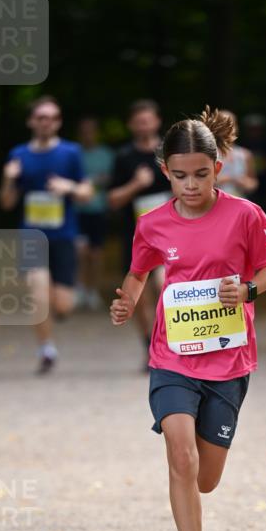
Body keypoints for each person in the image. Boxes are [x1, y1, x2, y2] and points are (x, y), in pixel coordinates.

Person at [110, 107, 266, 531]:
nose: (191, 185)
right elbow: (139, 271)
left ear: (218, 169)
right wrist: (128, 300)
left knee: (206, 478)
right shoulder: (151, 223)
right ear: (165, 170)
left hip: (228, 361)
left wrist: (247, 291)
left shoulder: (245, 216)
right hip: (173, 358)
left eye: (201, 175)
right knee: (180, 455)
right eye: (181, 175)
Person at [0, 96, 92, 374]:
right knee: (37, 288)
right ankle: (46, 349)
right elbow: (6, 203)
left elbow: (87, 193)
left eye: (51, 117)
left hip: (64, 234)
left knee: (63, 305)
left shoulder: (71, 152)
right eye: (41, 117)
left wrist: (69, 187)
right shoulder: (18, 154)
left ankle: (58, 305)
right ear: (31, 121)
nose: (46, 122)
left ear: (58, 122)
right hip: (32, 235)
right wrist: (8, 178)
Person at [108, 100, 171, 369]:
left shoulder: (171, 151)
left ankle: (168, 343)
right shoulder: (124, 157)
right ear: (131, 125)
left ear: (157, 121)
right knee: (139, 296)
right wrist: (135, 184)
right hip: (137, 237)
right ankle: (149, 345)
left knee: (164, 283)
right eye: (139, 122)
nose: (144, 126)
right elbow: (112, 200)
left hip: (170, 236)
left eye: (148, 120)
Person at [75, 116, 115, 311]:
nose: (87, 135)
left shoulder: (106, 154)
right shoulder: (74, 153)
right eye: (84, 131)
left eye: (91, 131)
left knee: (96, 253)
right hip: (77, 210)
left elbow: (109, 178)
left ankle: (94, 291)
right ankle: (80, 289)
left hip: (98, 210)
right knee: (80, 252)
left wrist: (92, 181)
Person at [216, 111, 259, 198]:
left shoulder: (245, 154)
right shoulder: (207, 154)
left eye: (231, 124)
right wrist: (229, 179)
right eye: (222, 124)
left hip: (239, 202)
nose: (227, 128)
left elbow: (253, 183)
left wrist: (246, 183)